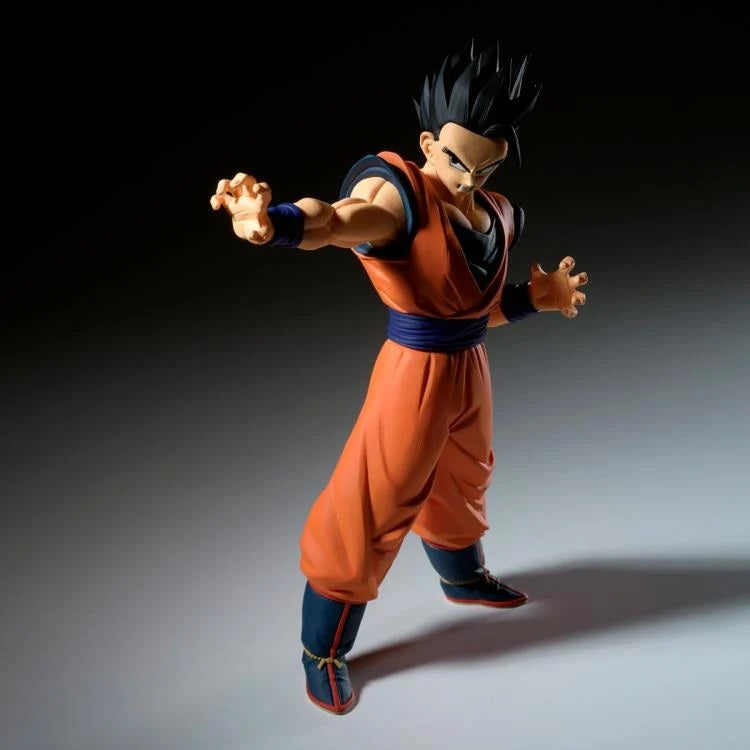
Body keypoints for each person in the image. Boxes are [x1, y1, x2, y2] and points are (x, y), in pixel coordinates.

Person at [210, 41, 588, 715]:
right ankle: (322, 649)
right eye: (456, 161)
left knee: (465, 476)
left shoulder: (496, 212)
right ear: (427, 143)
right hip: (413, 374)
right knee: (373, 501)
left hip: (469, 366)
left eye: (485, 166)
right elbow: (336, 220)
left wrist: (537, 298)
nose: (468, 179)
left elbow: (473, 310)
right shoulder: (398, 197)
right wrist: (272, 224)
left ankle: (463, 578)